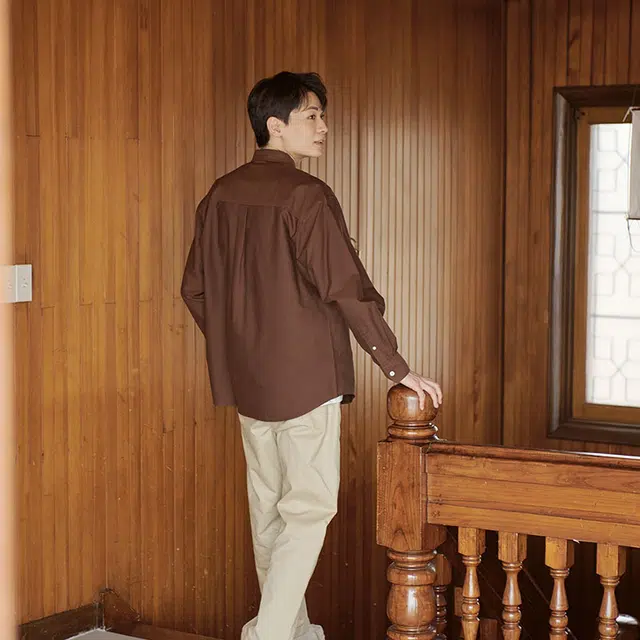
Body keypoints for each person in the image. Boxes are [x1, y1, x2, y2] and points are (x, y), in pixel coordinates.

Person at [181, 71, 442, 640]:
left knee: (269, 515)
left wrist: (239, 344)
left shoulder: (219, 194)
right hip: (307, 381)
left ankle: (293, 632)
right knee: (307, 511)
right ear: (275, 125)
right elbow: (345, 288)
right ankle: (268, 634)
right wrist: (396, 367)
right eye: (312, 116)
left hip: (248, 386)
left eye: (323, 115)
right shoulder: (306, 195)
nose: (324, 127)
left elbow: (194, 290)